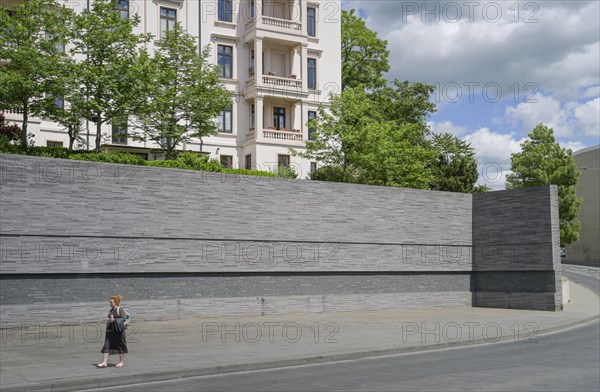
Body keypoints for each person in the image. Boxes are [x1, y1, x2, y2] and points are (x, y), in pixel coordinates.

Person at [97, 295, 128, 368]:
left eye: (111, 302)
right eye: (110, 302)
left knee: (120, 345)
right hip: (110, 331)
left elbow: (123, 319)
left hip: (118, 331)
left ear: (115, 302)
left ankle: (121, 362)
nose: (110, 303)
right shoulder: (111, 310)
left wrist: (114, 320)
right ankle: (104, 363)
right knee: (107, 345)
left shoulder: (119, 309)